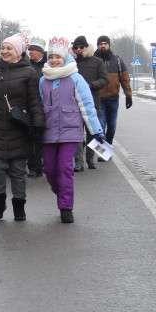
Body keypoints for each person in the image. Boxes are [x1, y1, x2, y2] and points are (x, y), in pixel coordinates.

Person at [0, 35, 45, 222]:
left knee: (18, 169)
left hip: (19, 127)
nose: (4, 51)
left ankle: (19, 204)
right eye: (3, 47)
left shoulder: (29, 73)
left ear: (18, 51)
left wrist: (38, 123)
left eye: (9, 48)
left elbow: (35, 100)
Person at [39, 37, 105, 223]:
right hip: (49, 131)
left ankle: (66, 207)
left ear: (65, 58)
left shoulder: (76, 79)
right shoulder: (43, 80)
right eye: (51, 57)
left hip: (70, 131)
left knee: (65, 169)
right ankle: (61, 193)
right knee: (50, 170)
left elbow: (87, 106)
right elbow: (38, 105)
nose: (54, 60)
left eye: (58, 57)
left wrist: (96, 130)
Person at [70, 35, 108, 171]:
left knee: (93, 132)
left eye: (81, 47)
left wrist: (90, 86)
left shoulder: (97, 61)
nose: (79, 50)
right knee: (77, 133)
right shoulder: (70, 63)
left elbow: (104, 80)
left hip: (93, 101)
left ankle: (90, 158)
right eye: (76, 47)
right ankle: (78, 161)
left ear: (86, 47)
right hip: (74, 104)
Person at [95, 35, 132, 146]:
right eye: (100, 44)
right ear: (97, 45)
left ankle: (108, 148)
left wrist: (128, 95)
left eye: (105, 43)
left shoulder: (117, 60)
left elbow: (124, 78)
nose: (103, 46)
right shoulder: (93, 60)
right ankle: (104, 152)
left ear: (109, 45)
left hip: (113, 100)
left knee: (112, 127)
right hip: (98, 100)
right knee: (100, 127)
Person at [25, 41, 47, 177]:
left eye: (32, 50)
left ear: (40, 52)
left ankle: (47, 163)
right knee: (33, 138)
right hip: (32, 105)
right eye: (29, 50)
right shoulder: (27, 66)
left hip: (48, 105)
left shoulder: (48, 65)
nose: (30, 52)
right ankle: (34, 167)